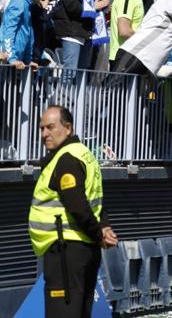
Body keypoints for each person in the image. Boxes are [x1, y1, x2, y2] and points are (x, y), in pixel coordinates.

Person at [29, 105, 117, 318]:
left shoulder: (66, 159)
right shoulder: (84, 154)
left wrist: (98, 234)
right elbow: (96, 199)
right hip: (81, 249)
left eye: (50, 127)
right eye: (41, 128)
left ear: (68, 128)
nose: (44, 134)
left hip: (66, 251)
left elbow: (77, 205)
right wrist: (102, 227)